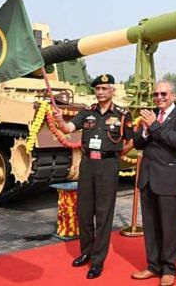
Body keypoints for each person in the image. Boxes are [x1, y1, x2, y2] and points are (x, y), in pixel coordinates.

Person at [54, 74, 134, 279]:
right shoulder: (87, 112)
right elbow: (68, 129)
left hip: (108, 165)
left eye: (104, 88)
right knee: (84, 210)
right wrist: (60, 120)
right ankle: (86, 252)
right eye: (97, 89)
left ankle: (98, 261)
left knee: (103, 214)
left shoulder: (123, 114)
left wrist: (115, 154)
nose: (100, 92)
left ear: (112, 91)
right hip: (88, 163)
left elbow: (131, 140)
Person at [131, 80, 176, 286]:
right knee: (150, 226)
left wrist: (154, 126)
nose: (159, 98)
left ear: (173, 95)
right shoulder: (149, 116)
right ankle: (152, 266)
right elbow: (138, 143)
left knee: (169, 228)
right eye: (156, 94)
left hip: (169, 181)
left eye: (163, 94)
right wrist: (145, 131)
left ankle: (169, 269)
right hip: (148, 178)